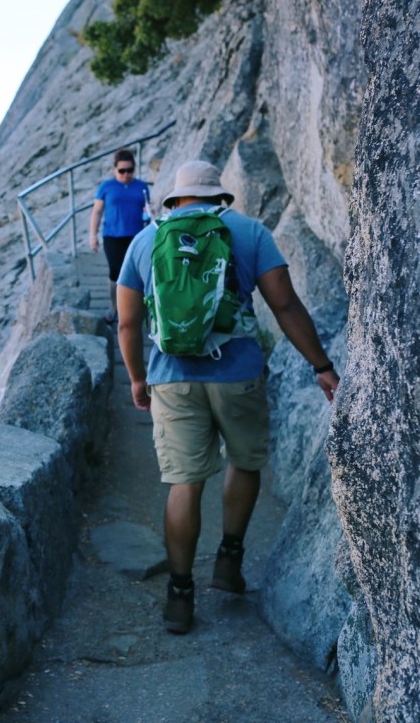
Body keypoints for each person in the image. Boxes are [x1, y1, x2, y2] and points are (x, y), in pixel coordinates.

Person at [115, 160, 340, 634]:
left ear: (176, 199)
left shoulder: (145, 240)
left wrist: (137, 378)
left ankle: (180, 596)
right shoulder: (249, 231)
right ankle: (228, 562)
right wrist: (321, 365)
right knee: (244, 461)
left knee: (184, 483)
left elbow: (128, 323)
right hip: (238, 374)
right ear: (218, 194)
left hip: (172, 379)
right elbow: (284, 304)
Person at [90, 149, 151, 324]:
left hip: (136, 236)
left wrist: (150, 211)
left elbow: (147, 208)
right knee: (115, 272)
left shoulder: (141, 186)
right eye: (122, 170)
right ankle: (114, 306)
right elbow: (97, 211)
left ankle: (138, 307)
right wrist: (93, 235)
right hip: (113, 236)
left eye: (130, 170)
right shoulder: (106, 187)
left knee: (137, 272)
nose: (126, 174)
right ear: (114, 169)